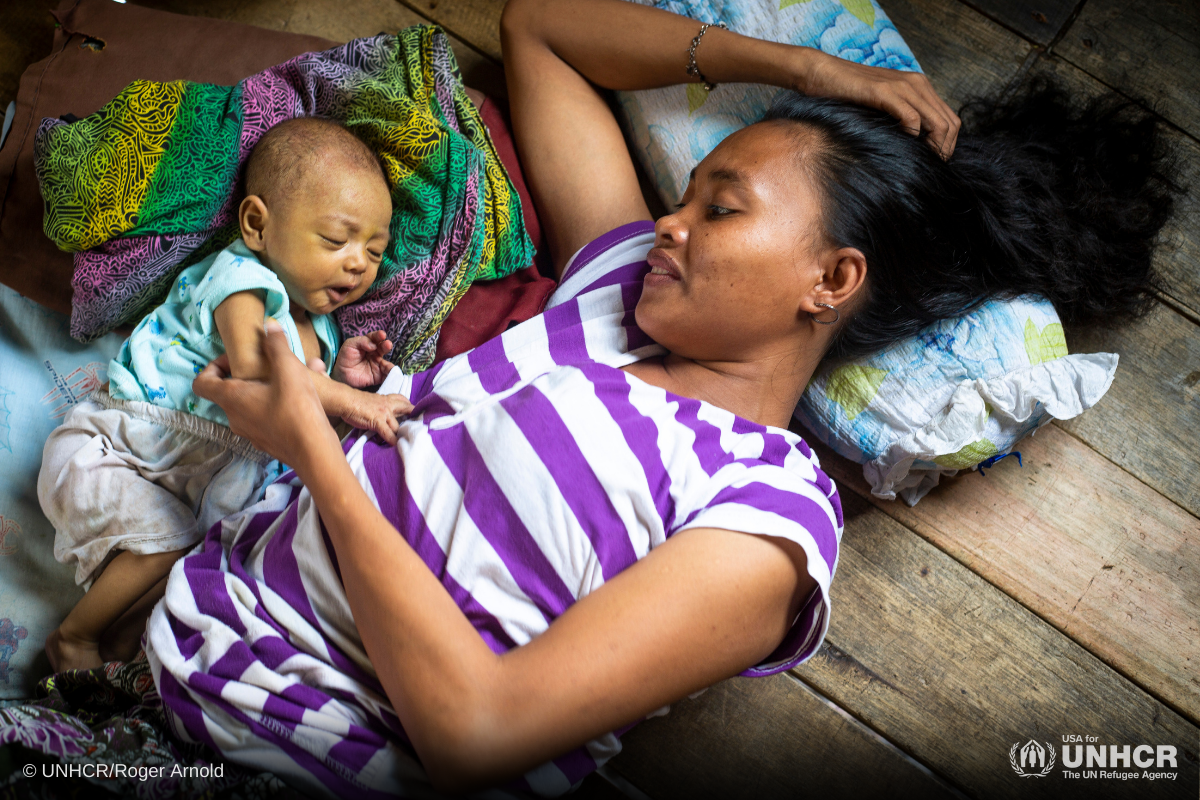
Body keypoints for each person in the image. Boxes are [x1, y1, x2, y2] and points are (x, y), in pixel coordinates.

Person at [146, 0, 1173, 795]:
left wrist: (316, 455)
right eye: (685, 195)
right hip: (181, 634)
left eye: (719, 208)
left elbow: (478, 735)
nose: (673, 223)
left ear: (831, 281)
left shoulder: (764, 514)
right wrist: (806, 72)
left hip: (297, 752)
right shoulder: (615, 283)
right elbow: (540, 29)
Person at [38, 118, 413, 673]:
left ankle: (111, 662)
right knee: (170, 542)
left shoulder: (325, 329)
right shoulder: (239, 279)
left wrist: (342, 374)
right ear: (259, 224)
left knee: (180, 583)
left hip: (199, 489)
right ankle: (72, 638)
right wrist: (352, 401)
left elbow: (297, 414)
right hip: (127, 452)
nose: (358, 262)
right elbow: (260, 373)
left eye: (375, 251)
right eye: (337, 239)